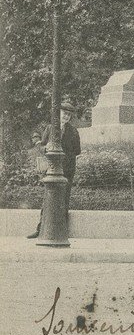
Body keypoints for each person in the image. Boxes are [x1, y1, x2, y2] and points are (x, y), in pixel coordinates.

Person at [27, 99, 81, 238]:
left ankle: (62, 230)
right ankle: (40, 229)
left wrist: (65, 155)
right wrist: (48, 148)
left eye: (69, 115)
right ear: (58, 114)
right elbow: (42, 146)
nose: (66, 117)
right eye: (64, 114)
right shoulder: (50, 128)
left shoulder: (74, 131)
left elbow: (77, 150)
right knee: (48, 199)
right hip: (51, 170)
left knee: (64, 200)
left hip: (67, 170)